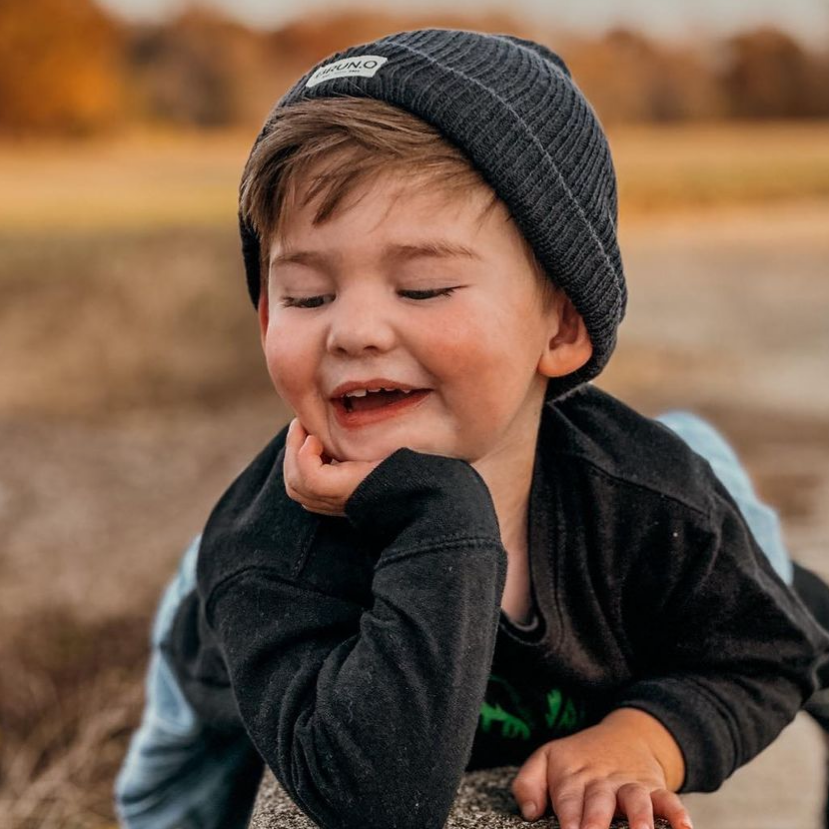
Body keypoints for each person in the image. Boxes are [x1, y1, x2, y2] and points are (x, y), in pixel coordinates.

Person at [115, 28, 829, 829]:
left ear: (561, 326)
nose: (353, 331)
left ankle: (714, 467)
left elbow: (767, 652)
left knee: (741, 548)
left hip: (618, 484)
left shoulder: (640, 495)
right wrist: (442, 512)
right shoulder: (270, 552)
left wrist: (644, 738)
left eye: (421, 287)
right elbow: (375, 801)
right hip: (224, 696)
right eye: (307, 297)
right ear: (263, 315)